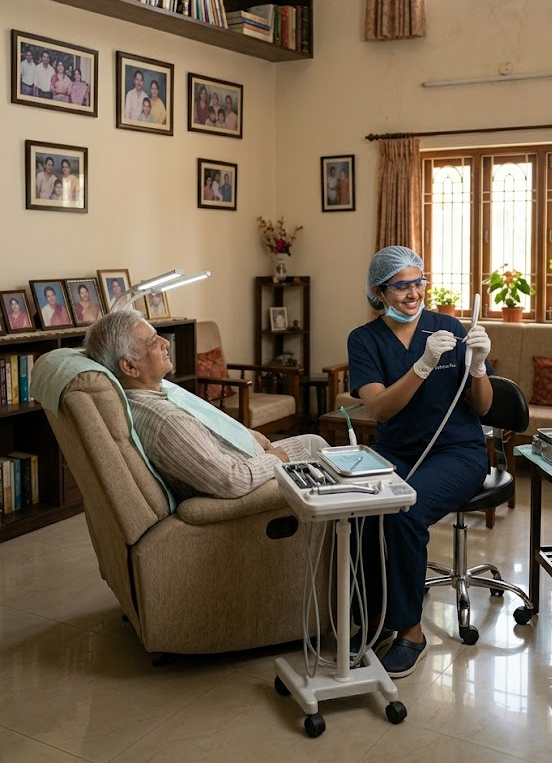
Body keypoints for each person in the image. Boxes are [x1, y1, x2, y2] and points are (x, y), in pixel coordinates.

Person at [347, 245, 492, 678]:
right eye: (401, 286)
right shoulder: (364, 340)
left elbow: (483, 409)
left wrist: (480, 366)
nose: (413, 293)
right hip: (396, 452)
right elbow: (380, 410)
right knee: (359, 513)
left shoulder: (449, 327)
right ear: (379, 291)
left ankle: (410, 632)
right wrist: (424, 365)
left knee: (403, 512)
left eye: (418, 282)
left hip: (458, 452)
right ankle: (371, 619)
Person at [83, 311, 328, 501]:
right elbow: (231, 481)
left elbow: (211, 428)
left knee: (315, 443)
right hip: (254, 483)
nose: (165, 343)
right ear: (129, 367)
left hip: (250, 457)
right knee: (327, 459)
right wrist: (275, 458)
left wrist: (251, 436)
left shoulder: (160, 391)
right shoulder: (166, 421)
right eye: (152, 342)